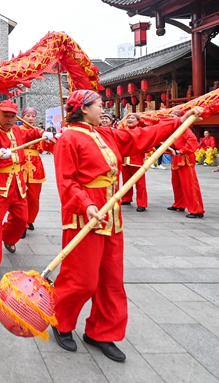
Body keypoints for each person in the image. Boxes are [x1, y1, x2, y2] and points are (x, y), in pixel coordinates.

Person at [51, 89, 202, 362]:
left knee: (111, 279)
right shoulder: (69, 138)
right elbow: (66, 181)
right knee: (81, 280)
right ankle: (60, 320)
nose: (103, 109)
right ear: (84, 108)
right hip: (85, 216)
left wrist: (178, 122)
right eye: (99, 105)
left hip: (112, 214)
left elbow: (139, 137)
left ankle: (101, 332)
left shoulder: (105, 133)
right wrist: (86, 204)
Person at [0, 100, 51, 275]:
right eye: (6, 116)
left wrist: (42, 132)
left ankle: (8, 237)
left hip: (18, 182)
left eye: (12, 116)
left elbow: (30, 134)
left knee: (22, 218)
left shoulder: (17, 130)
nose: (9, 119)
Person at [18, 107, 51, 236]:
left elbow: (48, 147)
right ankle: (22, 224)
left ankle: (30, 219)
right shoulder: (17, 130)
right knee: (21, 196)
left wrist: (56, 137)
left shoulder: (41, 132)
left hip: (35, 166)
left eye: (33, 116)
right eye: (28, 116)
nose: (30, 118)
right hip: (21, 164)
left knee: (34, 197)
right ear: (22, 117)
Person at [167, 110, 205, 218]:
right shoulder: (174, 130)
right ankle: (179, 204)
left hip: (185, 158)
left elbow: (193, 141)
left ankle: (197, 210)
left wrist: (182, 151)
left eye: (172, 116)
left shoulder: (185, 129)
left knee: (190, 185)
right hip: (176, 157)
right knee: (176, 183)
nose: (170, 118)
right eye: (170, 116)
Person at [120, 114, 148, 212]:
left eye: (132, 118)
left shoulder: (141, 131)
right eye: (128, 118)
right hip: (125, 160)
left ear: (137, 121)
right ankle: (126, 198)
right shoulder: (123, 131)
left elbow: (147, 145)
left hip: (137, 160)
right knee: (126, 181)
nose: (130, 120)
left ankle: (142, 203)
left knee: (140, 184)